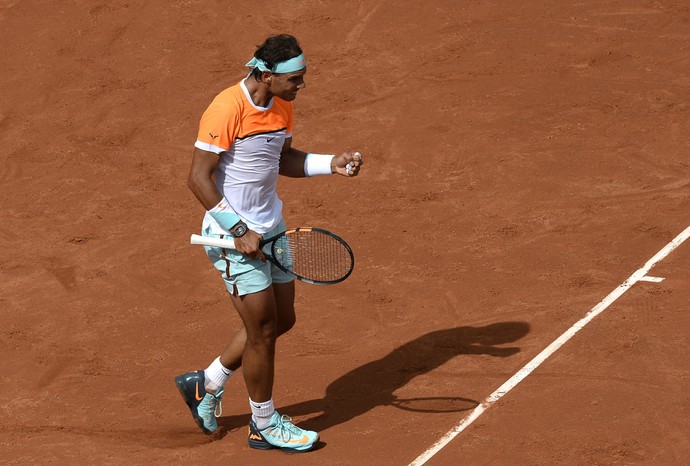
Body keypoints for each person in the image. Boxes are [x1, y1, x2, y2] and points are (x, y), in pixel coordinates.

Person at [174, 34, 363, 453]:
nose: (301, 86)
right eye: (295, 79)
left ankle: (206, 384)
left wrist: (329, 163)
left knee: (282, 321)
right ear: (265, 74)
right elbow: (197, 178)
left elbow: (283, 161)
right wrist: (239, 232)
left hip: (273, 229)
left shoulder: (282, 106)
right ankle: (263, 424)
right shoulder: (227, 107)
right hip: (230, 236)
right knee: (261, 329)